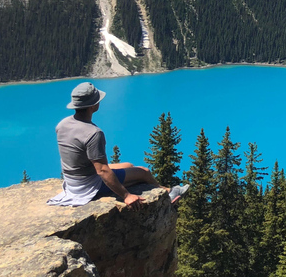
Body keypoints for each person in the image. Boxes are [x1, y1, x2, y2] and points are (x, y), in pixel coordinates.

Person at [47, 82, 188, 207]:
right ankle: (168, 194)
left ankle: (166, 190)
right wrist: (126, 195)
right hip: (87, 185)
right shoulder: (93, 133)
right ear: (93, 105)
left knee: (128, 165)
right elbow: (102, 170)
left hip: (72, 181)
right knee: (144, 172)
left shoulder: (62, 124)